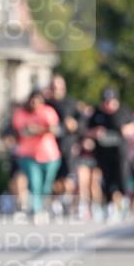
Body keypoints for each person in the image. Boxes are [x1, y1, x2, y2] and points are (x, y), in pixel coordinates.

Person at [11, 89, 61, 219]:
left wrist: (38, 129)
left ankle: (44, 207)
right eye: (32, 101)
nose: (34, 104)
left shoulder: (48, 112)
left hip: (49, 155)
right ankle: (36, 209)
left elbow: (54, 129)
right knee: (35, 183)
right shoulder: (20, 113)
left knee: (46, 185)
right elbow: (19, 131)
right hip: (28, 155)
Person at [88, 88, 134, 220]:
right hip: (103, 153)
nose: (108, 105)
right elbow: (86, 130)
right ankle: (109, 207)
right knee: (107, 180)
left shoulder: (124, 111)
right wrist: (95, 132)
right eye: (106, 102)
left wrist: (127, 130)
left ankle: (124, 205)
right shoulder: (97, 113)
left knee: (122, 178)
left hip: (120, 153)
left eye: (111, 101)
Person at [45, 74, 80, 211]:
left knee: (68, 179)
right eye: (53, 87)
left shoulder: (71, 103)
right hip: (49, 147)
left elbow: (82, 122)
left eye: (59, 87)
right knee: (53, 179)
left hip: (67, 146)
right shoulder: (46, 104)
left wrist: (75, 125)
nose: (56, 90)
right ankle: (55, 203)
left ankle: (66, 202)